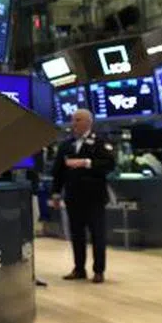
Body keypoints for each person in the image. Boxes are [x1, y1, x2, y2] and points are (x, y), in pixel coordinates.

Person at [49, 109, 116, 284]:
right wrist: (56, 193)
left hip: (94, 197)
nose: (74, 123)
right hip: (73, 197)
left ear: (88, 122)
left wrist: (87, 163)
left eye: (78, 120)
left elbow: (110, 164)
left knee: (97, 235)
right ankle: (79, 268)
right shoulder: (66, 145)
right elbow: (58, 172)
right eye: (73, 120)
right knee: (76, 234)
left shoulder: (100, 142)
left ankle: (98, 270)